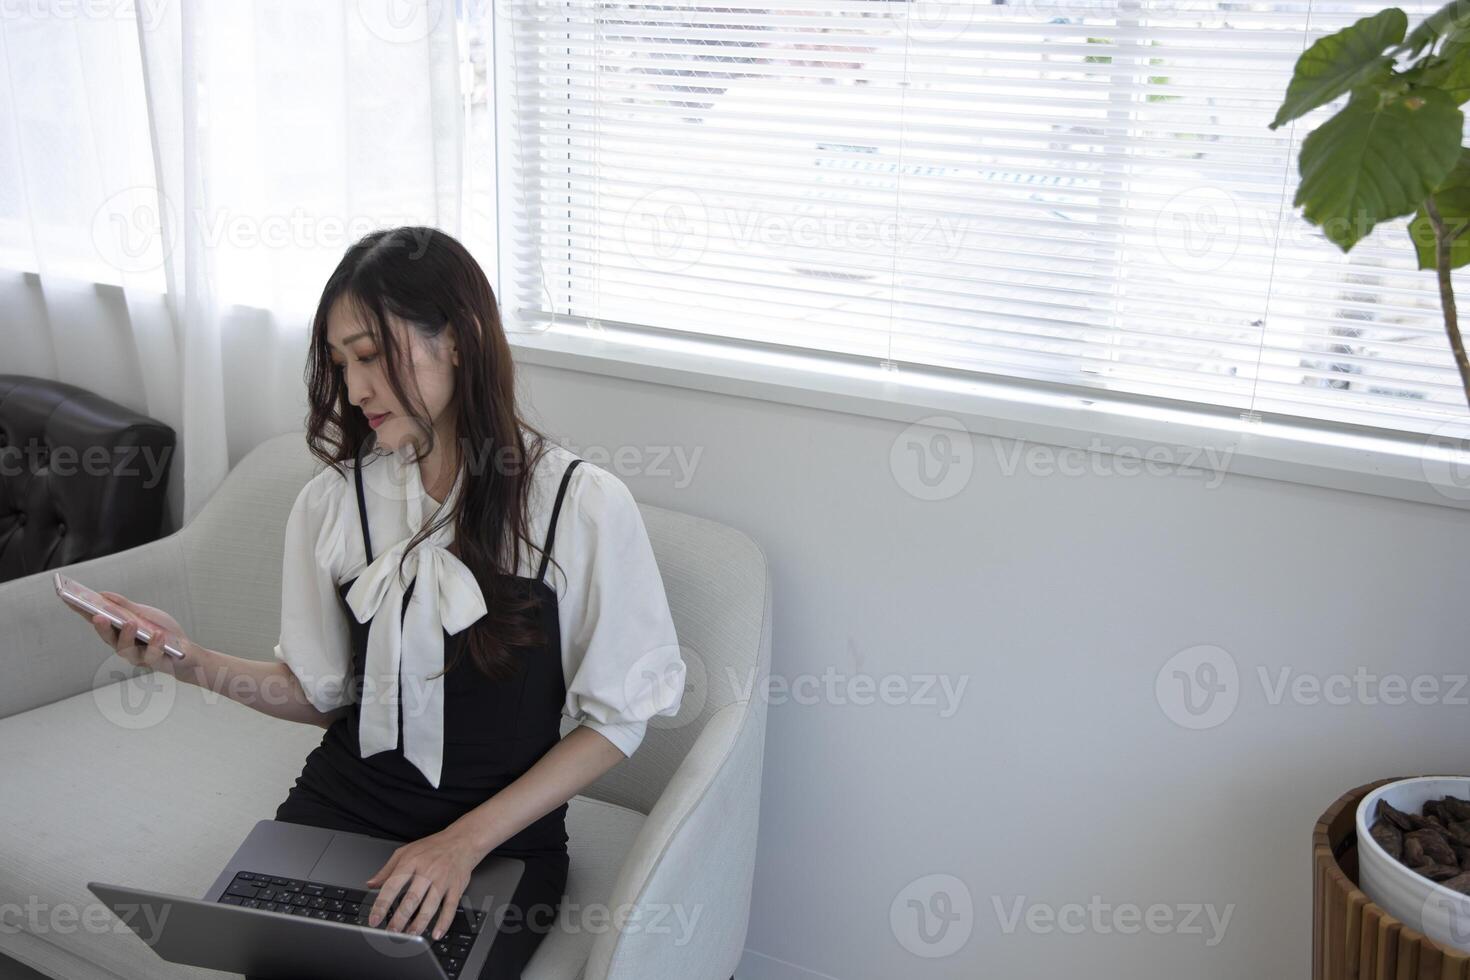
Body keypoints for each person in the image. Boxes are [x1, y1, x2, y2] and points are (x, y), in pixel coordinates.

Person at [77, 225, 688, 978]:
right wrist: (186, 659)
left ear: (458, 339)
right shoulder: (333, 505)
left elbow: (618, 719)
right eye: (341, 364)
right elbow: (320, 694)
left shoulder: (579, 505)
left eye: (370, 356)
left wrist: (463, 843)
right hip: (342, 808)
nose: (355, 388)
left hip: (497, 842)